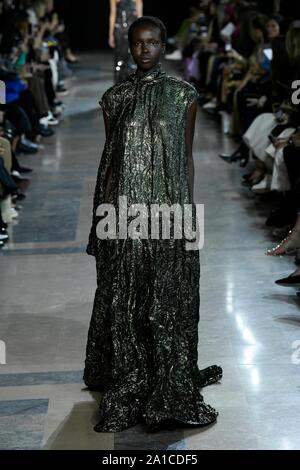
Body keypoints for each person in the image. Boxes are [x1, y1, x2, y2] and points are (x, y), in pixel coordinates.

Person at [84, 16, 222, 433]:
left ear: (163, 46)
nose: (145, 50)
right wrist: (102, 219)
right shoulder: (114, 99)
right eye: (138, 43)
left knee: (165, 299)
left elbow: (186, 158)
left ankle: (168, 383)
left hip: (167, 213)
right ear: (129, 46)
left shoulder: (183, 96)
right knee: (127, 299)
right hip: (123, 215)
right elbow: (110, 163)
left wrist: (186, 212)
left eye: (152, 43)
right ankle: (131, 378)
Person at [108, 0, 143, 82]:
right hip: (119, 30)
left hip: (132, 31)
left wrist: (141, 33)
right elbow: (113, 14)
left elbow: (140, 17)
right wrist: (111, 34)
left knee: (132, 59)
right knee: (119, 60)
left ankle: (132, 86)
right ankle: (119, 87)